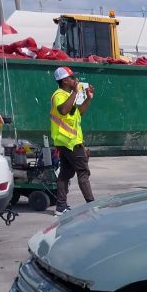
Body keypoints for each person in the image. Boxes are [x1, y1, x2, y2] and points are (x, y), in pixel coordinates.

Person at [50, 66, 95, 216]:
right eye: (72, 78)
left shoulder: (69, 95)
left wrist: (88, 98)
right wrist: (76, 91)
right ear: (64, 81)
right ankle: (92, 205)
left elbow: (78, 112)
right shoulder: (59, 95)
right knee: (83, 173)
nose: (75, 80)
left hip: (67, 141)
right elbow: (63, 110)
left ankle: (60, 206)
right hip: (70, 142)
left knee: (66, 173)